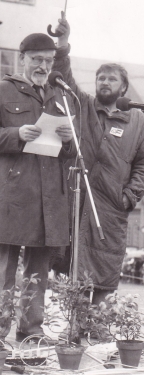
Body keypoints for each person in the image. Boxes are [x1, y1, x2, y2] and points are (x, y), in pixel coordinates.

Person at [0, 32, 77, 341]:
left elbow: (69, 153)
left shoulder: (60, 96)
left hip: (48, 199)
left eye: (48, 61)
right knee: (4, 269)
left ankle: (30, 331)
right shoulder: (0, 91)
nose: (43, 66)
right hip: (14, 194)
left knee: (38, 272)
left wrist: (70, 141)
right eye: (36, 60)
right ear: (22, 59)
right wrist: (17, 133)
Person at [52, 18, 144, 304]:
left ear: (124, 87)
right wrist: (63, 45)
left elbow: (143, 164)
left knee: (104, 273)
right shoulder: (84, 106)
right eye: (101, 78)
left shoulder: (138, 120)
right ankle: (75, 334)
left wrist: (129, 196)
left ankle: (97, 330)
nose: (105, 83)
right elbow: (63, 78)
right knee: (74, 268)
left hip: (112, 207)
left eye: (111, 79)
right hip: (78, 202)